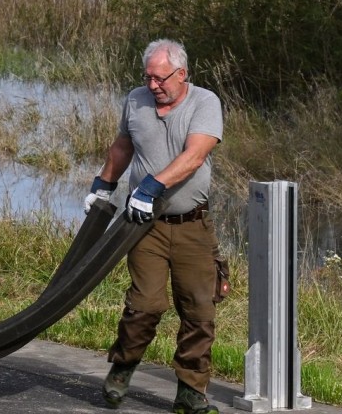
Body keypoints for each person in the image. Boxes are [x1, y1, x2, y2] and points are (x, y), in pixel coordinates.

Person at [85, 39, 225, 414]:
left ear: (182, 74)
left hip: (192, 224)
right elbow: (123, 146)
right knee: (145, 304)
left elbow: (195, 156)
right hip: (143, 225)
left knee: (198, 309)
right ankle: (124, 365)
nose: (152, 86)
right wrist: (103, 185)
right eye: (147, 77)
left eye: (160, 78)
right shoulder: (135, 100)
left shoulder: (205, 103)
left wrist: (150, 186)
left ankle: (191, 392)